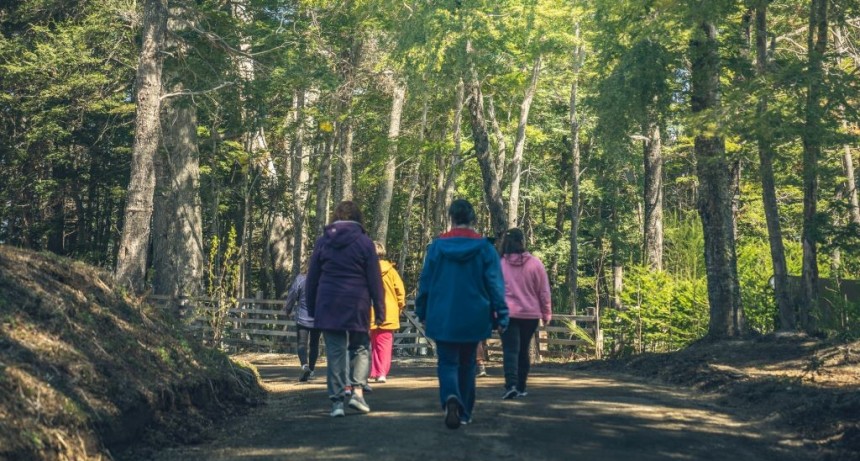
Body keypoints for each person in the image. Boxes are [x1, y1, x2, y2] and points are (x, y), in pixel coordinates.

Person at [415, 199, 509, 430]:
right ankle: (465, 412)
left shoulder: (436, 247)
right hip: (475, 314)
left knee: (447, 361)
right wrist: (502, 314)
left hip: (443, 313)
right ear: (473, 219)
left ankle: (450, 397)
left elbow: (425, 281)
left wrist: (421, 309)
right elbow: (496, 285)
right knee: (467, 363)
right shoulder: (485, 248)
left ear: (452, 218)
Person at [305, 201, 386, 418]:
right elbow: (374, 279)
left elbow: (312, 278)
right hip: (357, 301)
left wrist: (311, 307)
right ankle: (358, 393)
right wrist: (380, 309)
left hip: (328, 302)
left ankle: (337, 402)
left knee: (335, 352)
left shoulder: (323, 242)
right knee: (359, 347)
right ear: (359, 218)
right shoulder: (365, 243)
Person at [498, 228, 552, 399]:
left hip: (507, 314)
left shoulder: (501, 265)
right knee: (523, 350)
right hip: (530, 315)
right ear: (522, 242)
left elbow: (494, 291)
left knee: (510, 350)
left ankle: (511, 384)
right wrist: (546, 313)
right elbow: (543, 291)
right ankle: (521, 387)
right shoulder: (536, 264)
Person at [370, 241, 406, 383]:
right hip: (388, 311)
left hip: (372, 312)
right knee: (384, 343)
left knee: (374, 342)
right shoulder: (391, 271)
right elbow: (400, 291)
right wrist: (400, 306)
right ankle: (381, 372)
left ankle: (377, 371)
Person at [284, 260, 320, 382]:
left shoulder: (300, 279)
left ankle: (304, 365)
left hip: (302, 317)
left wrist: (288, 309)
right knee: (314, 344)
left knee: (302, 343)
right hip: (318, 318)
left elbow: (292, 294)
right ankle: (312, 370)